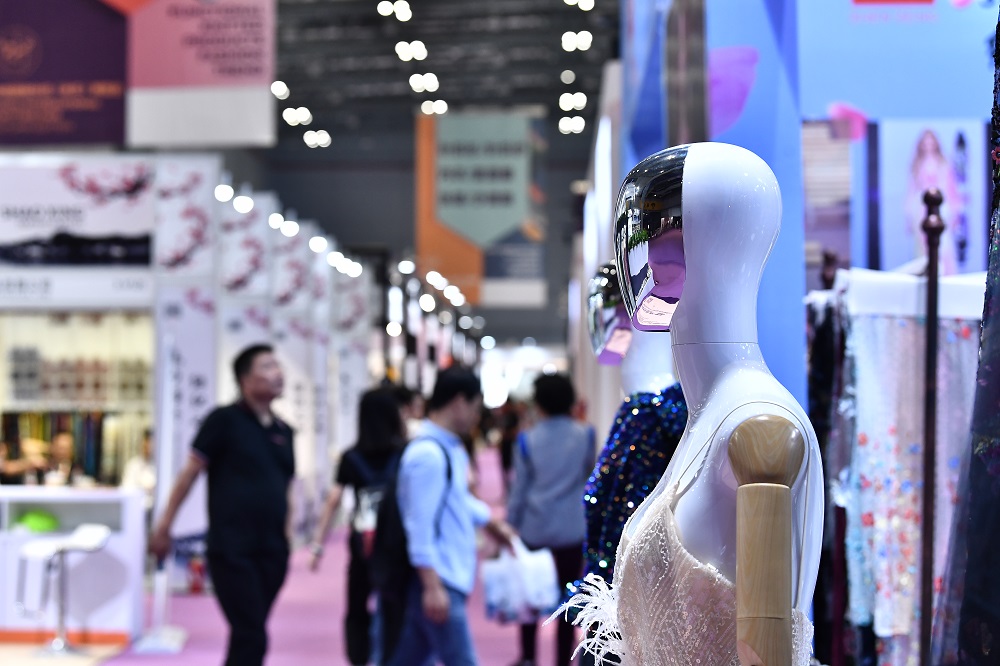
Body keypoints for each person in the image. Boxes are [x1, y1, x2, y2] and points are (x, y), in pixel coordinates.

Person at [150, 344, 294, 666]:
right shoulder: (224, 421)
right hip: (232, 548)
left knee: (249, 632)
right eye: (267, 366)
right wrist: (164, 526)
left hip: (273, 550)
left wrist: (287, 536)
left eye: (278, 365)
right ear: (245, 379)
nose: (278, 373)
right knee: (251, 633)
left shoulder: (284, 431)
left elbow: (287, 488)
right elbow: (189, 475)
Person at [389, 366, 516, 666]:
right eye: (475, 407)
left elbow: (456, 500)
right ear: (459, 402)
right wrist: (432, 586)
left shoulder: (447, 448)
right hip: (440, 576)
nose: (476, 417)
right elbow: (418, 526)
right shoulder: (428, 455)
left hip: (447, 574)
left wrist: (491, 523)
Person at [309, 387, 407, 666]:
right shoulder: (404, 453)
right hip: (396, 540)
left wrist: (318, 545)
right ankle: (392, 654)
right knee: (396, 602)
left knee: (357, 603)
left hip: (363, 539)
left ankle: (359, 656)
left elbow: (333, 500)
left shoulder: (351, 457)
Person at [507, 373, 596, 666]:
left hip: (535, 529)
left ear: (539, 404)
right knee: (568, 600)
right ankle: (562, 659)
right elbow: (589, 479)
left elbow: (520, 490)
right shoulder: (586, 435)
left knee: (530, 598)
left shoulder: (526, 439)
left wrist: (510, 526)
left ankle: (528, 657)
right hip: (572, 529)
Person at [120, 428, 156, 510]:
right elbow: (127, 489)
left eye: (150, 444)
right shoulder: (133, 465)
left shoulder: (160, 467)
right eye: (145, 445)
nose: (147, 448)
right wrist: (145, 489)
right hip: (136, 508)